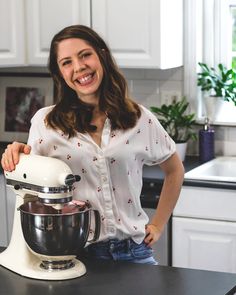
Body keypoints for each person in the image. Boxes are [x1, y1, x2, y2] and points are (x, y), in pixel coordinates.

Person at [1, 25, 184, 265]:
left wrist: (158, 224)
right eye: (66, 62)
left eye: (85, 55)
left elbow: (174, 170)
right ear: (60, 74)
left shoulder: (140, 118)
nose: (78, 67)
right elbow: (31, 185)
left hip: (135, 253)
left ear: (102, 56)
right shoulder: (45, 123)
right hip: (74, 255)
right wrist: (17, 156)